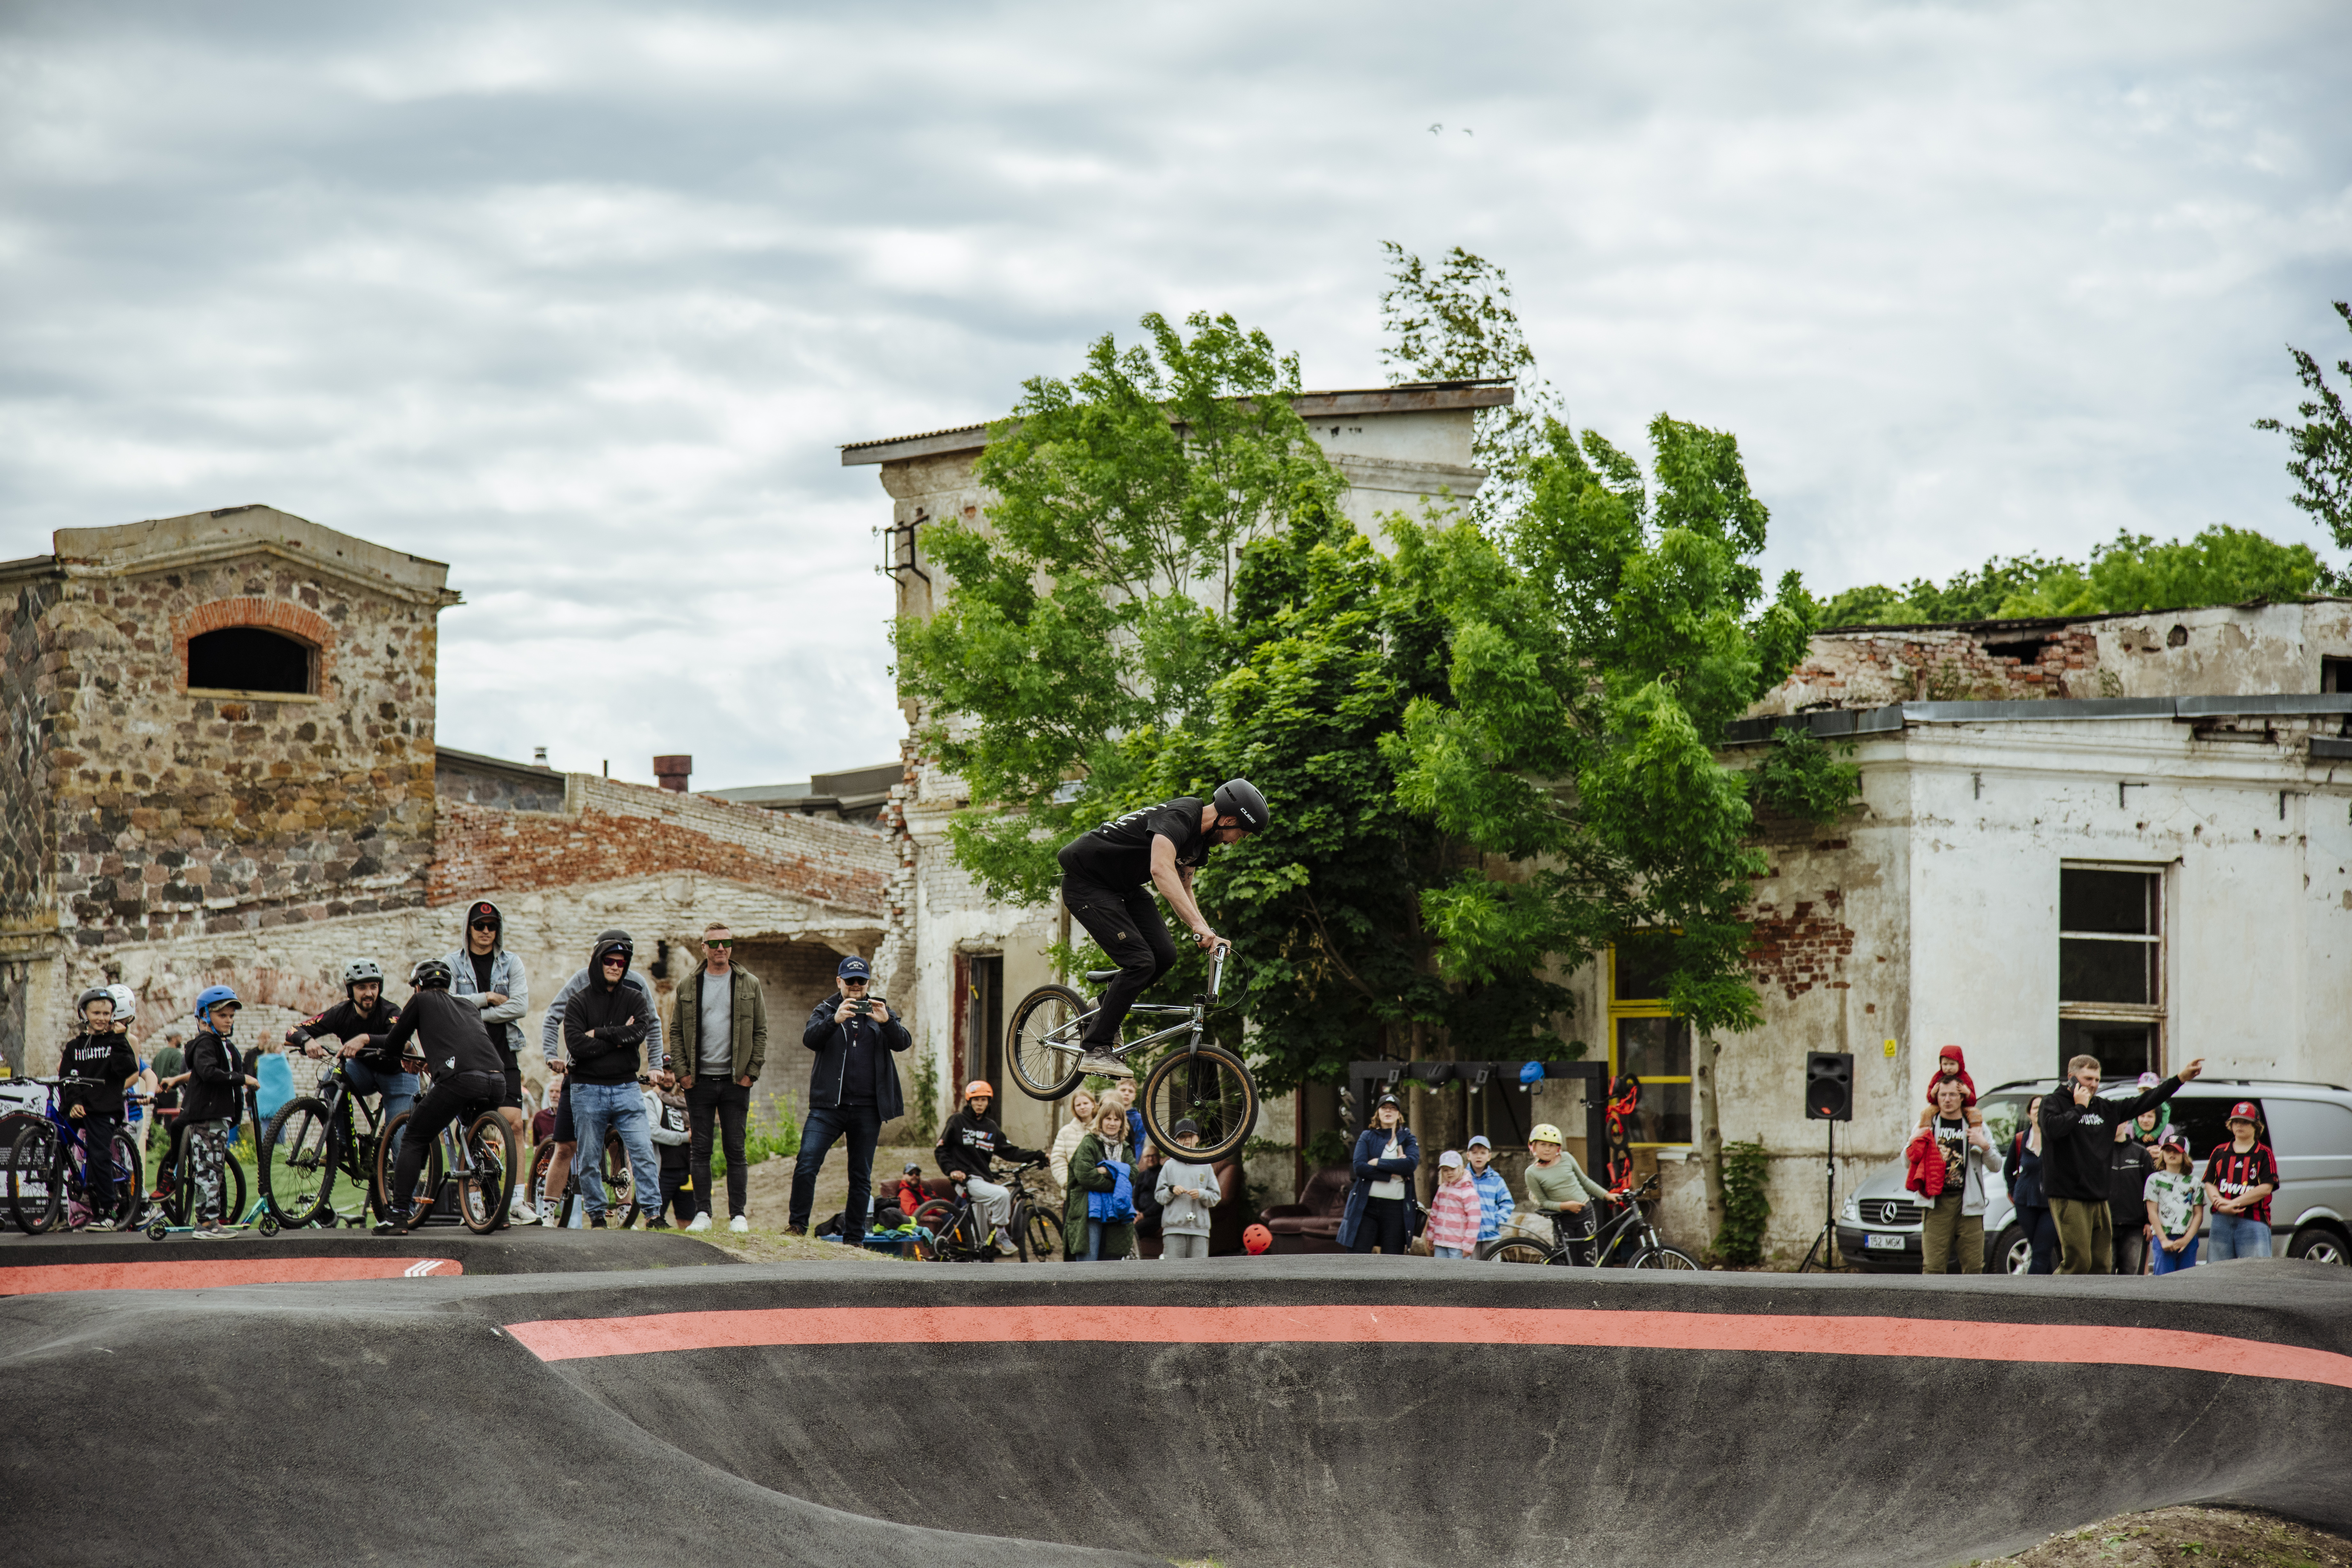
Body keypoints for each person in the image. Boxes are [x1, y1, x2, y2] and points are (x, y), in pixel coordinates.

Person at [1052, 781, 1268, 1077]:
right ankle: (1096, 1049)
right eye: (1239, 833)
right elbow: (1160, 869)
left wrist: (1207, 931)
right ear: (1228, 819)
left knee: (1164, 955)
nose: (1235, 841)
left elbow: (1183, 884)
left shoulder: (1200, 842)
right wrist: (1197, 926)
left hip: (1123, 886)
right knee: (1140, 961)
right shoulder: (1180, 817)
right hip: (1087, 882)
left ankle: (1102, 1007)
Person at [538, 929, 668, 1225]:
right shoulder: (579, 986)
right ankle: (551, 1210)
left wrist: (656, 1064)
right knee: (568, 1147)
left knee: (629, 1148)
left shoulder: (637, 986)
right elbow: (557, 1022)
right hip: (582, 1079)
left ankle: (634, 1211)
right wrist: (551, 1055)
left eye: (622, 961)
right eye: (609, 959)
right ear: (597, 957)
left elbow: (650, 1027)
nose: (616, 965)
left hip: (623, 1082)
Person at [376, 960, 514, 1234]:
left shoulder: (421, 1001)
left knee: (415, 1136)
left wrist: (384, 1053)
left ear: (419, 986)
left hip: (461, 1079)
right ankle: (498, 1210)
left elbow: (395, 1039)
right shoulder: (466, 1005)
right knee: (474, 1140)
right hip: (497, 1078)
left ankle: (399, 1215)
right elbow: (464, 1043)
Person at [2039, 1052, 2204, 1274]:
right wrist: (2079, 1107)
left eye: (2097, 1080)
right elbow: (2052, 1130)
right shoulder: (2053, 1103)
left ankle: (2095, 1308)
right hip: (2068, 1194)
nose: (2094, 1085)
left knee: (2102, 1265)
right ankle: (2057, 1307)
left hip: (2098, 1195)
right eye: (2088, 1079)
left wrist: (2180, 1078)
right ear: (2072, 1078)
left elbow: (2146, 1101)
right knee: (2078, 1263)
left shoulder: (2104, 1108)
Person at [788, 955, 912, 1248]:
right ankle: (796, 1226)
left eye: (862, 981)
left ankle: (854, 1239)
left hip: (868, 1110)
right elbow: (810, 1039)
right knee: (807, 1163)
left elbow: (903, 1042)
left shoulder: (881, 1010)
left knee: (860, 1176)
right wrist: (834, 1020)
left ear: (868, 983)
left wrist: (887, 1022)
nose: (856, 987)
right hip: (827, 1107)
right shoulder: (827, 1009)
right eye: (850, 981)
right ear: (839, 982)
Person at [443, 901, 534, 1223]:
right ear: (468, 927)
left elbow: (521, 1006)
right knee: (472, 1128)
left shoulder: (512, 963)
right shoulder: (451, 963)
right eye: (480, 926)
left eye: (492, 926)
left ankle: (518, 1201)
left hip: (502, 1052)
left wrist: (475, 1012)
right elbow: (445, 1002)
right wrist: (488, 998)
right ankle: (475, 1201)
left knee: (515, 1124)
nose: (486, 932)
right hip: (467, 1053)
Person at [674, 923, 769, 1234]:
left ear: (732, 946)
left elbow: (760, 1031)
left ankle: (737, 1216)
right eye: (714, 943)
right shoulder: (689, 985)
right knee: (701, 1149)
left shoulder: (749, 983)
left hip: (735, 1082)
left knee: (736, 1150)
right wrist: (683, 1073)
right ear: (703, 947)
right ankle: (703, 1213)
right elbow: (676, 1032)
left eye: (726, 942)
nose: (720, 948)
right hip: (699, 1082)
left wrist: (751, 1073)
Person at [285, 958, 411, 1170]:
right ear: (350, 990)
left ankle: (406, 1203)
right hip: (363, 1071)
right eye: (361, 987)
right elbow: (293, 1030)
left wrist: (365, 1039)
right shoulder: (340, 1013)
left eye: (374, 987)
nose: (369, 993)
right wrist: (307, 1041)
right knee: (331, 1079)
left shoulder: (391, 1011)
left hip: (398, 1074)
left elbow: (402, 1041)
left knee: (401, 1140)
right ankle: (343, 1144)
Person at [179, 986, 259, 1236]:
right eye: (222, 1016)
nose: (229, 1021)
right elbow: (208, 1073)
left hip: (219, 1116)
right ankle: (205, 1223)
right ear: (204, 1015)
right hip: (207, 1117)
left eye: (232, 1016)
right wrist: (242, 1078)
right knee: (208, 1171)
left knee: (213, 1169)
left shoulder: (221, 1044)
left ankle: (209, 1220)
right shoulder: (206, 1043)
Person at [934, 1079, 1045, 1256]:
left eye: (984, 1100)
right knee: (1002, 1194)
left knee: (981, 1238)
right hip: (966, 1179)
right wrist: (952, 1170)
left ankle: (977, 1262)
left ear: (989, 1102)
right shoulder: (957, 1121)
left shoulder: (991, 1127)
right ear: (969, 1101)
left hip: (983, 1181)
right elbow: (941, 1150)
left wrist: (1038, 1155)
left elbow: (1011, 1152)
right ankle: (1001, 1234)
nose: (980, 1104)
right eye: (976, 1100)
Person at [58, 988, 138, 1231]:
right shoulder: (74, 1047)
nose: (102, 1018)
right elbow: (67, 1078)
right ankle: (52, 1205)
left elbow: (127, 1070)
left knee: (99, 1154)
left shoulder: (116, 1042)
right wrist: (74, 1103)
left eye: (106, 1013)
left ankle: (108, 1211)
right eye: (96, 1013)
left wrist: (119, 1039)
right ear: (85, 1014)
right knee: (57, 1141)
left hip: (105, 1109)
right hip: (79, 1107)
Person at [1907, 1078, 1998, 1274]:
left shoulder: (1976, 1125)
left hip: (1969, 1206)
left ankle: (1970, 1306)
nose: (1947, 1100)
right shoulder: (1927, 1124)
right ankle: (1932, 1306)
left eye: (1953, 1095)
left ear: (1962, 1097)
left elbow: (1997, 1166)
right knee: (1933, 1268)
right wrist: (1914, 1141)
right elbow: (1906, 1162)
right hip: (1937, 1204)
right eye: (1943, 1095)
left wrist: (1984, 1145)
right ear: (1936, 1098)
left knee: (1974, 1268)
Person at [1338, 1095, 1421, 1255]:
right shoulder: (1367, 1137)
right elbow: (1360, 1168)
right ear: (1378, 1113)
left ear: (1399, 1115)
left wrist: (1377, 1162)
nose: (1388, 1111)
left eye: (1393, 1108)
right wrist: (1393, 1173)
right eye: (1384, 1108)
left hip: (1396, 1208)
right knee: (1358, 1256)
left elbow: (1410, 1165)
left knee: (1392, 1260)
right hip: (1367, 1206)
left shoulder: (1408, 1139)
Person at [1520, 1121, 1613, 1256]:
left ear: (1558, 1148)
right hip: (1563, 1219)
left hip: (1585, 1214)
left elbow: (1585, 1181)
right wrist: (1565, 1206)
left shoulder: (1567, 1158)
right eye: (1543, 1145)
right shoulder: (1531, 1173)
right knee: (1567, 1262)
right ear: (1533, 1146)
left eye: (1552, 1145)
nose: (1547, 1149)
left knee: (1588, 1259)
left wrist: (1607, 1195)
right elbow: (1544, 1202)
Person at [2203, 1101, 2280, 1262]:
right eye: (2236, 1121)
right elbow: (2209, 1182)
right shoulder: (2219, 1152)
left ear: (2256, 1126)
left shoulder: (2264, 1153)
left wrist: (2233, 1204)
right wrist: (2218, 1201)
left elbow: (2266, 1187)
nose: (2240, 1125)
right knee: (2217, 1272)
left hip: (2253, 1220)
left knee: (2255, 1272)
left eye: (2246, 1122)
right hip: (2221, 1219)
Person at [1064, 1099, 1136, 1260]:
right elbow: (1086, 1176)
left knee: (1111, 1266)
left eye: (1117, 1119)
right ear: (1100, 1120)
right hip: (1089, 1209)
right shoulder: (1089, 1143)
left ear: (1122, 1123)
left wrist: (1108, 1170)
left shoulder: (1125, 1148)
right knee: (1088, 1265)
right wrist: (1118, 1177)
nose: (1112, 1123)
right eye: (1108, 1119)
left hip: (1116, 1210)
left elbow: (1132, 1175)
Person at [2001, 1094, 2057, 1274]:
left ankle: (2027, 1295)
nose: (2039, 1112)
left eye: (2043, 1108)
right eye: (2035, 1108)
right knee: (2041, 1252)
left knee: (2041, 1252)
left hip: (2051, 1204)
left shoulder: (2056, 1139)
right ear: (2029, 1113)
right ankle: (2048, 1296)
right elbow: (2008, 1170)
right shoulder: (2020, 1139)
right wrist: (2015, 1193)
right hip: (2025, 1203)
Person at [1155, 1118, 1222, 1260]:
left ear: (1197, 1138)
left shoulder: (1206, 1165)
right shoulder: (1169, 1166)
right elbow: (1159, 1196)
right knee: (1174, 1271)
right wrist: (1171, 1191)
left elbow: (1216, 1196)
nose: (1187, 1140)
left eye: (1190, 1136)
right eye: (1182, 1137)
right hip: (1174, 1229)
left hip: (1200, 1230)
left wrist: (1202, 1194)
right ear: (1175, 1140)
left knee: (1198, 1272)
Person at [2145, 1136, 2204, 1275]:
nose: (2172, 1154)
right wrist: (2163, 1240)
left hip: (2187, 1240)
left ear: (2185, 1155)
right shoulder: (2155, 1180)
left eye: (2176, 1151)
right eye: (2168, 1151)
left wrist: (2187, 1240)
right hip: (2164, 1238)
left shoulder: (2194, 1182)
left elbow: (2198, 1214)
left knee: (2186, 1281)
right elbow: (2152, 1212)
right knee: (2164, 1282)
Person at [2107, 1116, 2157, 1275]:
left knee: (2132, 1277)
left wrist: (2149, 1222)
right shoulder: (2098, 1152)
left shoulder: (2141, 1152)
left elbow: (2151, 1191)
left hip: (2135, 1227)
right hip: (2105, 1225)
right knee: (2104, 1276)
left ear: (2126, 1123)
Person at [645, 1078, 694, 1229]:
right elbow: (653, 1132)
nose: (668, 1077)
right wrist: (686, 1138)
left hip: (687, 1170)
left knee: (689, 1221)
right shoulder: (650, 1099)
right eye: (664, 1072)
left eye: (671, 1072)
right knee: (654, 1221)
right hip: (662, 1171)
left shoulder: (684, 1100)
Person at [1425, 1150, 1484, 1259]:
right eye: (1445, 1170)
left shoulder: (1468, 1192)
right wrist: (1430, 1236)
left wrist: (1468, 1245)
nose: (1449, 1173)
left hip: (1458, 1245)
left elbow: (1474, 1220)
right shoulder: (1442, 1190)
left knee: (1457, 1275)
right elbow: (1434, 1214)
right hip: (1440, 1243)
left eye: (1453, 1169)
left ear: (1461, 1168)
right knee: (1438, 1273)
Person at [144, 1026, 186, 1174]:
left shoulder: (160, 1054)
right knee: (170, 1121)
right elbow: (177, 1073)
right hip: (170, 1091)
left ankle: (151, 1143)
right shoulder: (177, 1054)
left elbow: (153, 1073)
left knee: (156, 1118)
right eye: (180, 1037)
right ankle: (169, 1145)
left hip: (158, 1091)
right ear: (174, 1039)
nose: (181, 1040)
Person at [1914, 1045, 1985, 1129]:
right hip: (1941, 1107)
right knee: (1926, 1113)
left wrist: (1967, 1092)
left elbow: (1973, 1101)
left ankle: (1976, 1133)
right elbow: (1930, 1099)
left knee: (1975, 1113)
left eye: (1952, 1064)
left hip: (1963, 1107)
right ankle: (1925, 1134)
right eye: (1945, 1064)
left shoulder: (1965, 1078)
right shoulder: (1938, 1077)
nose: (1948, 1068)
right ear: (1941, 1064)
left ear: (1960, 1064)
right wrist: (1933, 1093)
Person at [1464, 1134, 1516, 1247]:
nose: (1479, 1156)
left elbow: (1508, 1203)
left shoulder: (1497, 1180)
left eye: (1483, 1153)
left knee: (1492, 1265)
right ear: (1468, 1156)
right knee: (1469, 1265)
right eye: (1475, 1153)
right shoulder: (1461, 1179)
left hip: (1491, 1235)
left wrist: (1497, 1220)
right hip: (1467, 1236)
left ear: (1489, 1156)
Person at [1047, 1088, 1098, 1190]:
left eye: (1086, 1103)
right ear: (1074, 1108)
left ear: (1093, 1104)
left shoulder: (1102, 1129)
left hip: (1098, 1191)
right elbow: (1058, 1160)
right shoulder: (1065, 1132)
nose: (1082, 1107)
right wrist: (1067, 1182)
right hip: (1073, 1191)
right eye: (1078, 1105)